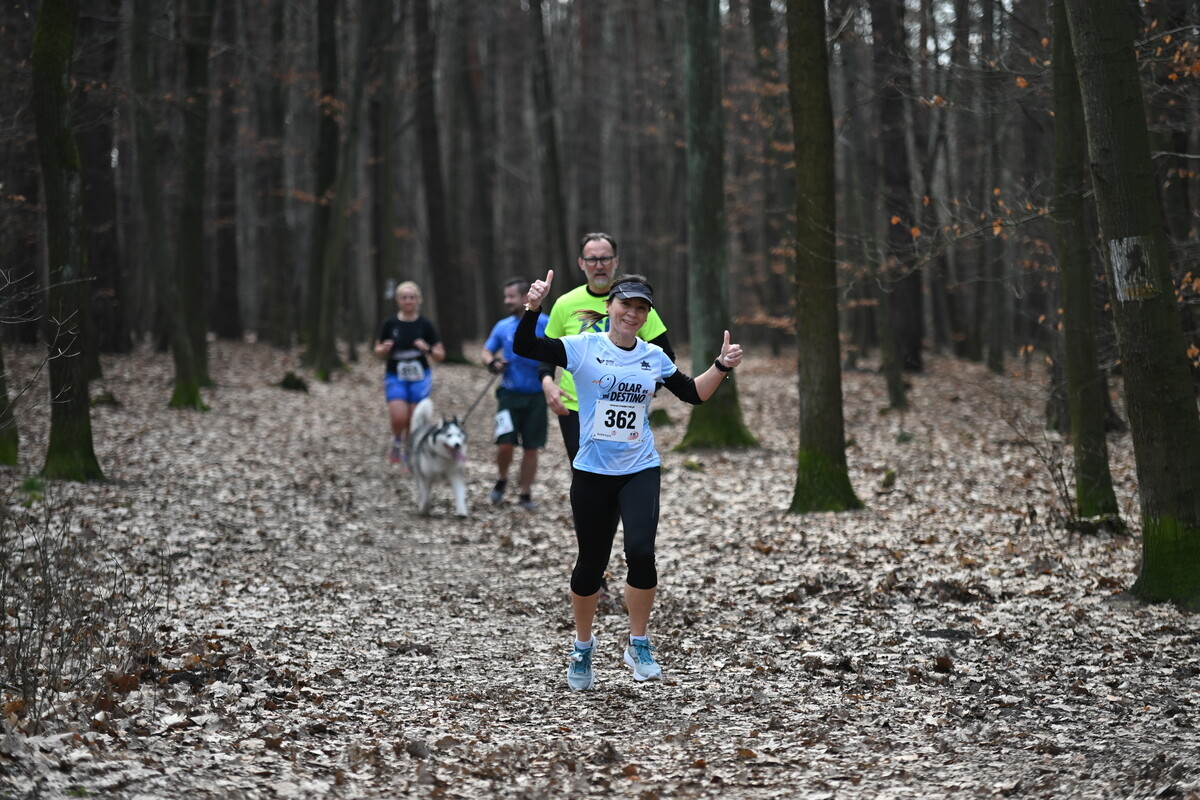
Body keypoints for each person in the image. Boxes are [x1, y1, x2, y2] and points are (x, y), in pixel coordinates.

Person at [514, 269, 744, 691]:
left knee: (641, 553)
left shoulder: (652, 357)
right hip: (592, 471)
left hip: (639, 468)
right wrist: (533, 308)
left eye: (641, 308)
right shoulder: (583, 348)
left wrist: (720, 366)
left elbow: (693, 393)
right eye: (626, 305)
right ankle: (583, 647)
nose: (632, 314)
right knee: (590, 565)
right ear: (609, 307)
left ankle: (638, 643)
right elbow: (526, 345)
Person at [540, 233, 675, 463]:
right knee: (584, 472)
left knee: (622, 472)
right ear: (581, 263)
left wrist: (648, 388)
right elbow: (544, 354)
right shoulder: (565, 303)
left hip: (624, 406)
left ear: (616, 261)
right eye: (592, 259)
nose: (599, 266)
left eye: (605, 258)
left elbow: (667, 357)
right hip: (576, 406)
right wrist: (547, 383)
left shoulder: (637, 303)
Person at [480, 277, 549, 511]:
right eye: (505, 296)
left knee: (531, 448)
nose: (507, 301)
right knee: (504, 444)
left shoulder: (546, 323)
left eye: (511, 296)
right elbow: (486, 352)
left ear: (524, 297)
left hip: (537, 397)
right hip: (508, 396)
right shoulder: (502, 326)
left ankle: (526, 493)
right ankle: (501, 479)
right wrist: (494, 363)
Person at [373, 281, 445, 471]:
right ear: (398, 300)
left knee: (414, 418)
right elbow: (377, 350)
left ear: (418, 300)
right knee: (399, 416)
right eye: (404, 297)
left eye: (412, 297)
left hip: (420, 376)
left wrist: (427, 348)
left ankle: (408, 452)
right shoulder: (390, 324)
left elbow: (440, 354)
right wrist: (385, 348)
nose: (408, 301)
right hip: (395, 374)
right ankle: (396, 440)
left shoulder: (425, 325)